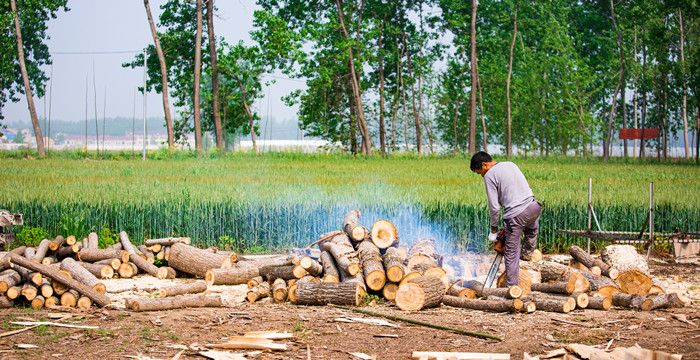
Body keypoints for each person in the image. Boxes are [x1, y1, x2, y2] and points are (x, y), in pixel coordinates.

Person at [470, 151, 542, 286]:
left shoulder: (489, 175)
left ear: (484, 165)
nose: (481, 175)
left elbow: (494, 207)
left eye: (480, 172)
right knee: (530, 230)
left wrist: (494, 229)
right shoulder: (510, 164)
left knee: (511, 253)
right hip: (533, 207)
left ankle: (511, 287)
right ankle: (527, 255)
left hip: (516, 215)